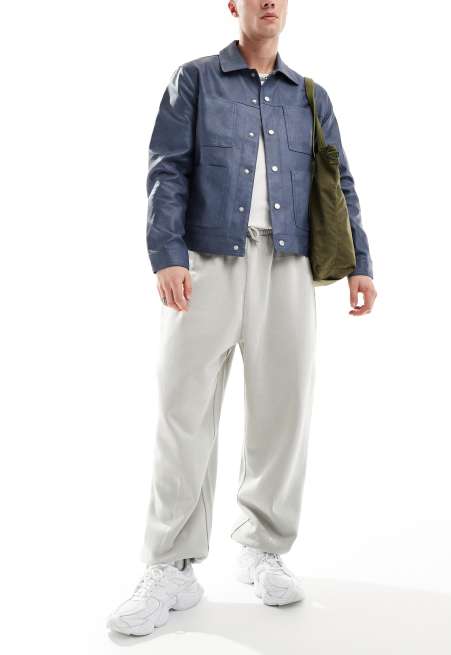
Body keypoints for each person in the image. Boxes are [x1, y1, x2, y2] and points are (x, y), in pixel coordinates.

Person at [107, 0, 377, 637]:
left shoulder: (310, 95)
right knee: (183, 410)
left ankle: (263, 547)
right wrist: (167, 255)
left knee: (283, 409)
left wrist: (360, 263)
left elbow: (340, 182)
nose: (269, 2)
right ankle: (170, 565)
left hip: (289, 263)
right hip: (206, 260)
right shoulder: (195, 78)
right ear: (234, 4)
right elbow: (167, 170)